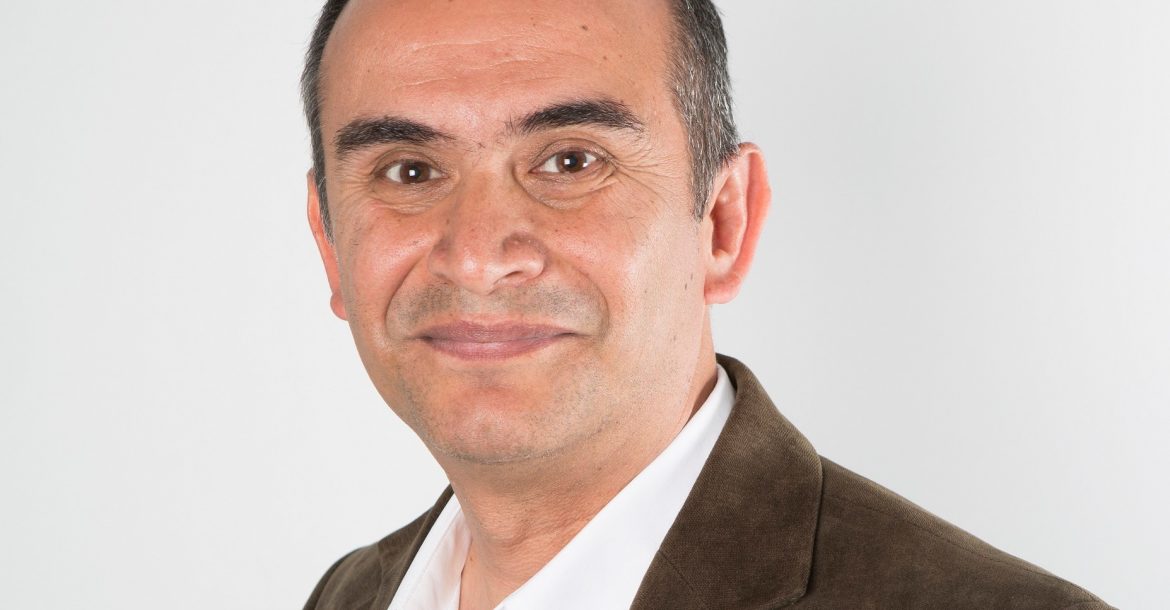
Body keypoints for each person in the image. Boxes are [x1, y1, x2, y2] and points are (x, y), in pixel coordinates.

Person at [299, 1, 1113, 608]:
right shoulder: (348, 594)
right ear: (331, 244)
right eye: (408, 171)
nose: (477, 255)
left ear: (724, 223)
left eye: (572, 161)